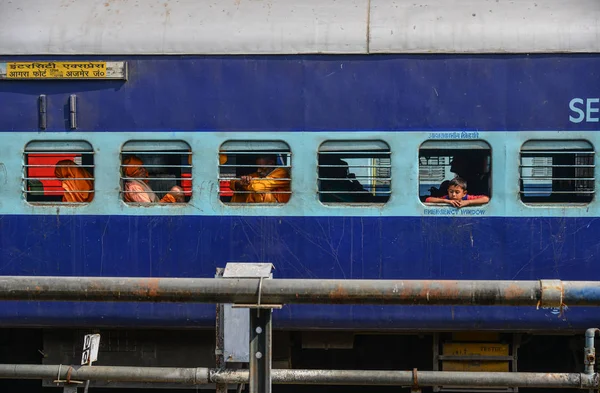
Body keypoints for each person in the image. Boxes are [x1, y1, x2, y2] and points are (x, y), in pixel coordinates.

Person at [425, 177, 489, 207]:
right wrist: (446, 201)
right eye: (451, 191)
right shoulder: (447, 198)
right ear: (448, 191)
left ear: (464, 193)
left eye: (457, 192)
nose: (453, 194)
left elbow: (486, 199)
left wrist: (468, 202)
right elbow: (428, 199)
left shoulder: (467, 198)